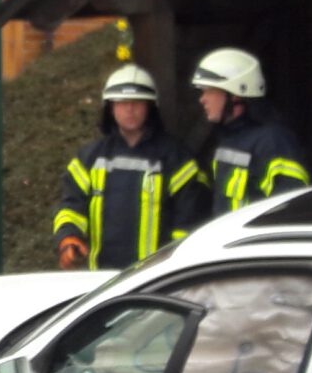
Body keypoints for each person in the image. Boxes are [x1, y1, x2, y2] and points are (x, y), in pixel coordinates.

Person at [53, 64, 204, 271]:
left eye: (137, 102)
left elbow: (187, 221)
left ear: (150, 107)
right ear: (110, 108)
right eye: (122, 102)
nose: (130, 109)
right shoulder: (90, 158)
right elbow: (71, 206)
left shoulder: (176, 159)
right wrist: (69, 237)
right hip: (101, 279)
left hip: (156, 279)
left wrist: (177, 266)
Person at [189, 48, 308, 217]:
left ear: (235, 95)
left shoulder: (274, 142)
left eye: (210, 91)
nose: (202, 99)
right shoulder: (229, 138)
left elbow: (289, 210)